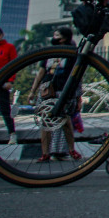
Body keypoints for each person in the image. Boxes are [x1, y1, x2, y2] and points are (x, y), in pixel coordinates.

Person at [28, 27, 82, 162]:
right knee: (45, 121)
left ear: (63, 38)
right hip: (47, 89)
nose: (54, 37)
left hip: (63, 90)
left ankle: (71, 149)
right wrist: (33, 90)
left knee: (65, 120)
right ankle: (45, 153)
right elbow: (41, 72)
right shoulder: (50, 52)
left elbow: (77, 75)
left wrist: (77, 96)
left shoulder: (71, 53)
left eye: (56, 35)